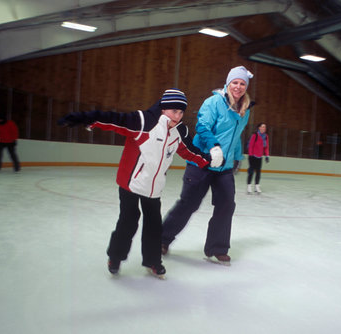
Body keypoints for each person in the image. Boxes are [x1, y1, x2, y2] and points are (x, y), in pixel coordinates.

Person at [57, 88, 223, 279]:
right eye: (174, 111)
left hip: (154, 187)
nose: (178, 116)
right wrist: (83, 118)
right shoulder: (143, 121)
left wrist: (208, 160)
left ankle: (153, 261)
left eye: (181, 112)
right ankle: (115, 257)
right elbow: (112, 120)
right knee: (129, 220)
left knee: (154, 225)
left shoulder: (179, 131)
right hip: (131, 183)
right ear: (163, 108)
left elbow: (190, 151)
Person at [161, 66, 254, 265]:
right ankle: (161, 239)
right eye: (235, 82)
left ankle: (217, 247)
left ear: (246, 87)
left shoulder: (243, 110)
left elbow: (236, 137)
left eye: (242, 83)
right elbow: (202, 126)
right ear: (228, 83)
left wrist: (237, 157)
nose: (238, 86)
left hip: (224, 168)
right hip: (202, 162)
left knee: (226, 205)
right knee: (189, 204)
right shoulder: (213, 102)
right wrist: (214, 147)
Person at [246, 123, 269, 194]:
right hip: (253, 156)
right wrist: (250, 155)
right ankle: (249, 186)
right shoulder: (255, 135)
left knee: (258, 172)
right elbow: (250, 146)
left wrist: (267, 156)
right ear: (259, 128)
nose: (264, 128)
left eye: (265, 127)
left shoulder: (266, 136)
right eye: (262, 127)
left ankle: (257, 186)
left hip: (260, 157)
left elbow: (266, 147)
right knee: (251, 172)